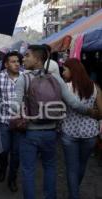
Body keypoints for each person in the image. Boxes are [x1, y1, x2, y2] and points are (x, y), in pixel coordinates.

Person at [12, 45, 98, 199]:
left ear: (38, 59)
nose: (23, 59)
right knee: (50, 167)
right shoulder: (57, 78)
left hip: (30, 132)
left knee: (28, 170)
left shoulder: (23, 79)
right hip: (50, 132)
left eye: (27, 56)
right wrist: (90, 111)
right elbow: (73, 103)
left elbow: (15, 107)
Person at [60, 58, 102, 199]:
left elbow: (59, 109)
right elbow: (101, 112)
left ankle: (74, 195)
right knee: (82, 165)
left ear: (73, 70)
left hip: (69, 133)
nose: (63, 73)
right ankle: (74, 193)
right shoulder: (95, 87)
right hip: (89, 133)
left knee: (72, 168)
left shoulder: (65, 87)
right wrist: (93, 111)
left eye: (64, 69)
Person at [0, 51, 22, 192]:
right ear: (6, 64)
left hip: (19, 123)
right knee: (4, 150)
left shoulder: (25, 77)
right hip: (4, 121)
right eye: (13, 61)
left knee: (16, 153)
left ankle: (12, 178)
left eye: (18, 61)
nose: (16, 64)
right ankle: (3, 166)